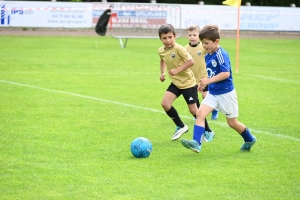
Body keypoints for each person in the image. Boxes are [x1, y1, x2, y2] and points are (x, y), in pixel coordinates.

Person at [181, 24, 257, 153]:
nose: (204, 46)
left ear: (216, 41)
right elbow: (211, 72)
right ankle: (197, 143)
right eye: (202, 43)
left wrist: (209, 81)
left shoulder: (221, 54)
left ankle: (249, 139)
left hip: (226, 94)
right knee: (200, 113)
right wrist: (205, 83)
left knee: (232, 123)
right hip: (213, 93)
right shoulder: (208, 54)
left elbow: (225, 73)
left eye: (206, 43)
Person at [157, 24, 213, 141]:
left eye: (170, 37)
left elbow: (191, 61)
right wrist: (162, 73)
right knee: (165, 104)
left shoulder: (179, 48)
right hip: (176, 83)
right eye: (164, 38)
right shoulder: (161, 50)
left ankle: (208, 131)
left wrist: (177, 70)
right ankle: (181, 126)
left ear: (175, 36)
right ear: (160, 38)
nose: (168, 40)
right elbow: (162, 60)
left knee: (194, 110)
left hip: (188, 83)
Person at [184, 25, 215, 142]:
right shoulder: (185, 48)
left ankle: (212, 111)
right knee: (195, 104)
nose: (192, 37)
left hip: (203, 77)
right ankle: (201, 117)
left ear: (199, 36)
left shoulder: (203, 47)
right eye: (190, 35)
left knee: (205, 96)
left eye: (194, 35)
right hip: (191, 79)